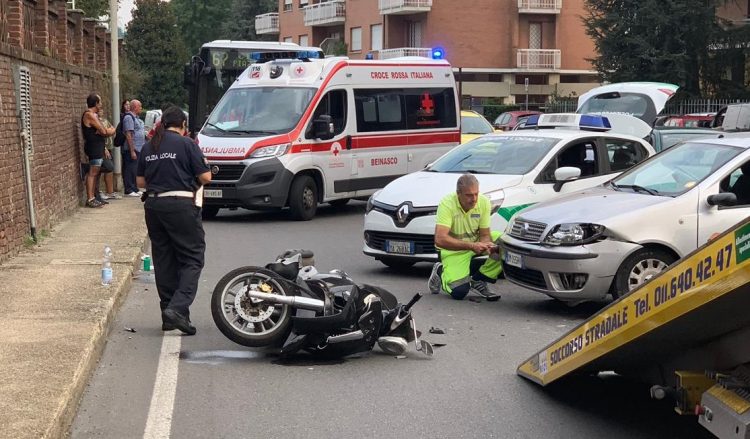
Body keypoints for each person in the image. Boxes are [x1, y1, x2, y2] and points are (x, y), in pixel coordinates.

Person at [136, 106, 211, 335]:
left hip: (154, 206)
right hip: (180, 205)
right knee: (192, 258)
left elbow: (140, 182)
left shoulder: (150, 146)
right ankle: (178, 309)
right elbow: (205, 177)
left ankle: (168, 314)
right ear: (183, 125)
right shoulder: (187, 144)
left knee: (164, 259)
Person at [427, 174, 502, 300]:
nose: (474, 199)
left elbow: (484, 234)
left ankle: (480, 279)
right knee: (459, 292)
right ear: (458, 193)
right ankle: (440, 271)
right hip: (452, 251)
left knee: (504, 241)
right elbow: (440, 240)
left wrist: (486, 245)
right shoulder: (447, 204)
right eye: (469, 195)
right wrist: (472, 246)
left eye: (476, 194)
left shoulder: (483, 202)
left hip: (474, 244)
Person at [81, 93, 115, 208]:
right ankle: (90, 198)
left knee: (98, 171)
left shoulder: (94, 115)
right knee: (92, 173)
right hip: (94, 147)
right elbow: (105, 131)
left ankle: (95, 196)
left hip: (98, 147)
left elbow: (103, 130)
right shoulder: (89, 115)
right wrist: (111, 130)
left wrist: (105, 130)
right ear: (95, 103)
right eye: (99, 102)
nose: (101, 104)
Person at [123, 99, 146, 197]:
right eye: (140, 106)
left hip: (139, 148)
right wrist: (132, 150)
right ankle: (129, 189)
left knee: (135, 168)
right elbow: (129, 134)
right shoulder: (129, 118)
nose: (141, 108)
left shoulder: (137, 118)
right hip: (132, 148)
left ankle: (135, 188)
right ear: (135, 107)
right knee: (130, 168)